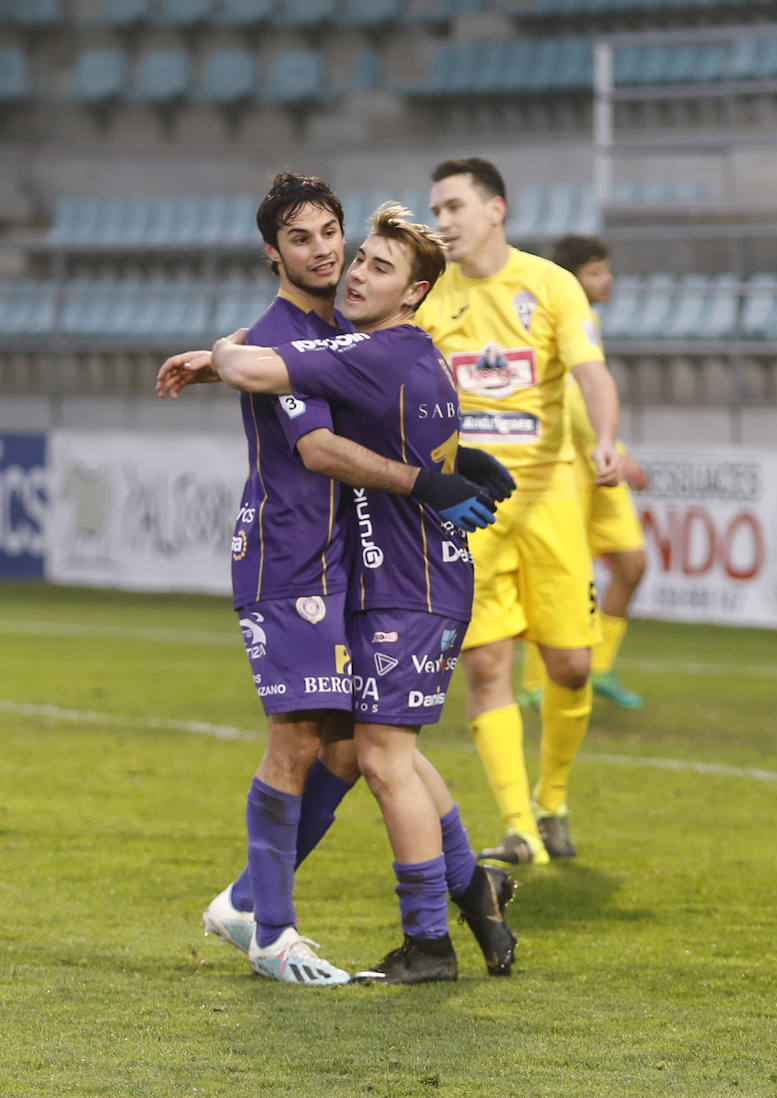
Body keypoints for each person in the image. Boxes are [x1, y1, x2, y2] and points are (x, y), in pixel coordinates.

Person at [161, 184, 517, 983]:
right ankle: (272, 923)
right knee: (330, 746)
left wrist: (222, 356)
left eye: (342, 239)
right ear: (272, 252)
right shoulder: (317, 330)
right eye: (310, 241)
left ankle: (299, 910)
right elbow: (317, 441)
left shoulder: (348, 332)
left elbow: (337, 381)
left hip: (374, 567)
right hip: (301, 560)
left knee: (364, 749)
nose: (334, 256)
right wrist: (226, 353)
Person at [417, 158, 623, 866]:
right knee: (486, 667)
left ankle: (553, 799)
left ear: (495, 209)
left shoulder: (551, 285)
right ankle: (519, 829)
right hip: (470, 510)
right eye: (435, 209)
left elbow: (593, 375)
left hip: (551, 501)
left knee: (569, 666)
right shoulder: (428, 298)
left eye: (453, 207)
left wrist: (608, 441)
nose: (442, 221)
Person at [517, 233, 649, 711]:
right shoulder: (562, 321)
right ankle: (536, 683)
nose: (606, 279)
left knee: (632, 563)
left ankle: (599, 668)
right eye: (595, 272)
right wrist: (614, 449)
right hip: (572, 467)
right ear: (571, 279)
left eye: (605, 269)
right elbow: (573, 402)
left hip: (600, 464)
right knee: (561, 576)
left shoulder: (589, 321)